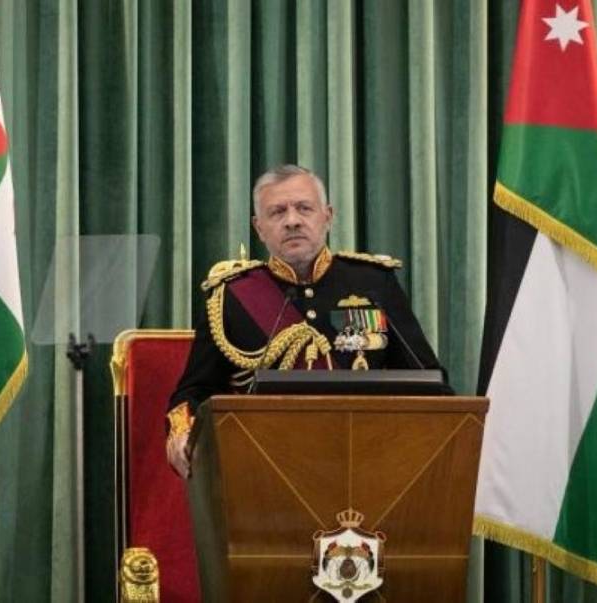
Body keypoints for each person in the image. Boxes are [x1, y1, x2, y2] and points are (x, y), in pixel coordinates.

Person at [166, 164, 449, 477]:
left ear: (327, 216)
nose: (292, 221)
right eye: (277, 212)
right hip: (266, 467)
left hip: (365, 462)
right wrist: (183, 433)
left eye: (304, 208)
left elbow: (427, 379)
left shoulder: (372, 282)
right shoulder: (232, 296)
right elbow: (193, 391)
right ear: (259, 227)